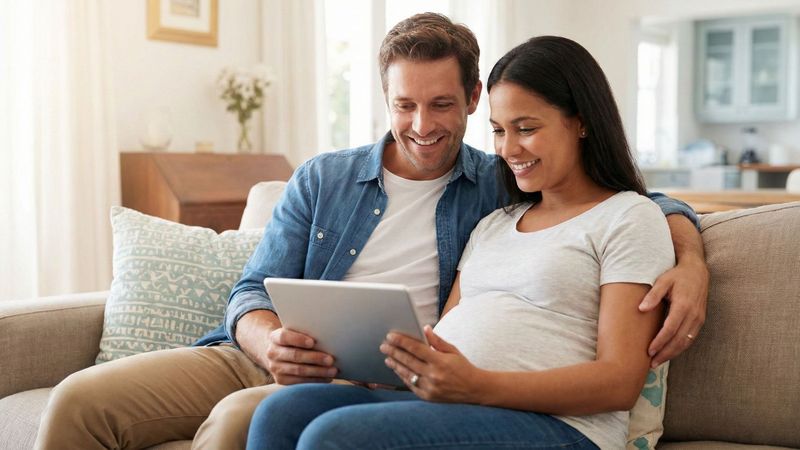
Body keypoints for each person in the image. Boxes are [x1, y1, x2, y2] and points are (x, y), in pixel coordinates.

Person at [34, 13, 706, 450]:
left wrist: (692, 253)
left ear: (471, 98)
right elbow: (251, 290)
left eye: (442, 104)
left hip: (408, 386)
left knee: (264, 421)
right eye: (404, 105)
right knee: (83, 401)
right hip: (270, 356)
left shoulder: (498, 187)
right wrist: (269, 341)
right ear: (385, 100)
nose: (422, 125)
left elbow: (629, 203)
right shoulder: (340, 182)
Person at [245, 34, 677, 450]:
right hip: (452, 404)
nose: (509, 149)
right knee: (282, 412)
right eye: (499, 131)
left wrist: (477, 385)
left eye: (526, 128)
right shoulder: (496, 221)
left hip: (560, 426)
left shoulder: (629, 217)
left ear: (581, 122)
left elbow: (620, 382)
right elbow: (444, 336)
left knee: (336, 436)